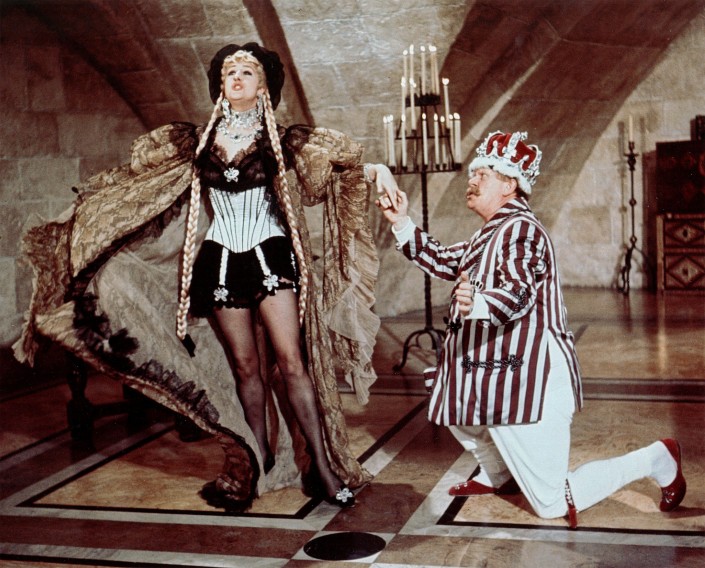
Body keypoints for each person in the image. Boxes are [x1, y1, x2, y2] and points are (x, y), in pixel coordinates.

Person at [14, 42, 398, 511]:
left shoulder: (283, 139)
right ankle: (257, 462)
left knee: (292, 362)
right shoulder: (195, 140)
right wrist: (91, 209)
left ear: (263, 86)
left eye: (247, 72)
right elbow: (139, 182)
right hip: (220, 261)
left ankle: (322, 466)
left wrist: (378, 171)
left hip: (271, 256)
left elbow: (336, 166)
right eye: (229, 71)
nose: (236, 77)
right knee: (245, 369)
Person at [374, 130, 686, 528]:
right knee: (455, 399)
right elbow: (445, 260)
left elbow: (518, 292)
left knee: (551, 503)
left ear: (509, 185)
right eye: (473, 174)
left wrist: (479, 303)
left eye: (482, 175)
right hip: (504, 370)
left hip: (533, 379)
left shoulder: (521, 230)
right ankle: (500, 474)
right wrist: (401, 222)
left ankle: (657, 458)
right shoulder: (492, 230)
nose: (471, 181)